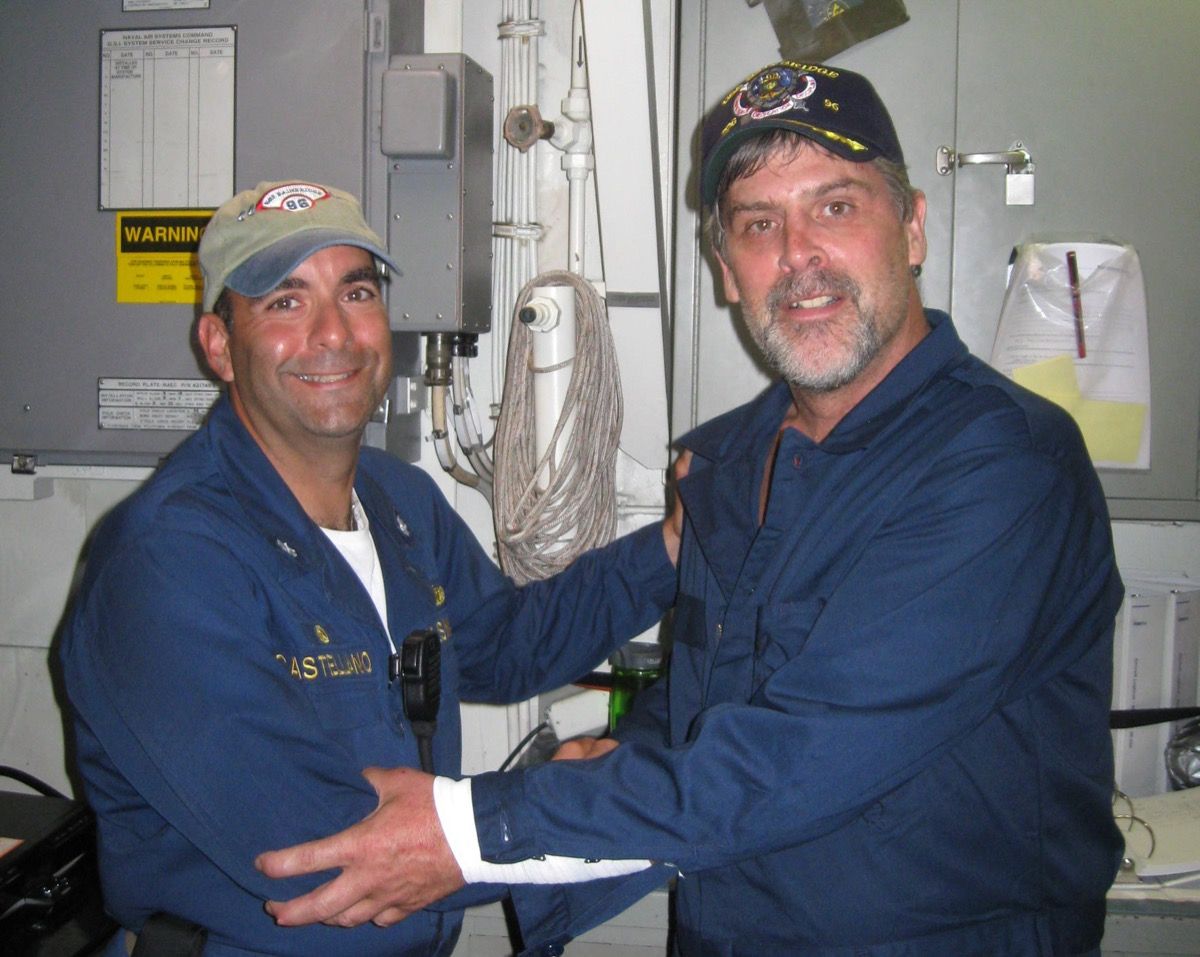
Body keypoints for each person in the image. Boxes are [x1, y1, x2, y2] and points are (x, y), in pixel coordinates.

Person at [257, 61, 1126, 955]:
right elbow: (708, 700)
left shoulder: (1002, 465)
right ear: (724, 269)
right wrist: (629, 757)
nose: (798, 257)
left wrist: (470, 827)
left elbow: (798, 753)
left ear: (911, 228)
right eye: (759, 224)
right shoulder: (727, 465)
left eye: (836, 207)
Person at [58, 179, 680, 956]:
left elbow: (508, 644)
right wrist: (566, 800)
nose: (332, 334)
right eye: (285, 302)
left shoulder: (399, 502)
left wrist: (672, 548)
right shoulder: (166, 565)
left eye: (355, 291)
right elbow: (324, 845)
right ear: (219, 346)